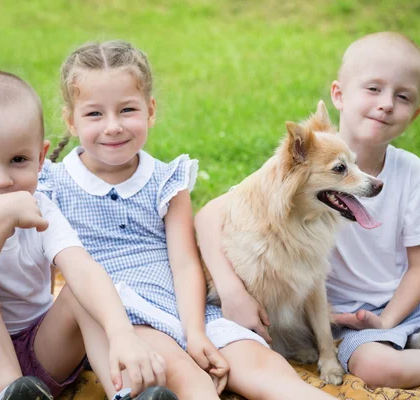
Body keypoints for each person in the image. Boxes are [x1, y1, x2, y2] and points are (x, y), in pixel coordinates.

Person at [194, 32, 420, 396]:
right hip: (353, 319)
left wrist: (391, 318)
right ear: (339, 94)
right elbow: (206, 216)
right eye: (373, 89)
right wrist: (233, 291)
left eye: (402, 96)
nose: (386, 104)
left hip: (419, 291)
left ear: (416, 113)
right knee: (375, 365)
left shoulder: (413, 172)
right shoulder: (295, 167)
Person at [39, 40, 336, 400]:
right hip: (120, 310)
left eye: (127, 110)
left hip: (185, 306)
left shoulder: (167, 180)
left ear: (150, 111)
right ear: (71, 120)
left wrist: (195, 332)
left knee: (263, 366)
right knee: (185, 377)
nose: (113, 126)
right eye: (94, 114)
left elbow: (183, 264)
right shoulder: (54, 183)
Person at [0, 70, 175, 400]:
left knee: (82, 292)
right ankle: (9, 392)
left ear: (40, 158)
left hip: (39, 359)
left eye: (18, 160)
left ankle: (126, 393)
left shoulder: (42, 208)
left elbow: (82, 269)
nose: (3, 179)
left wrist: (122, 332)